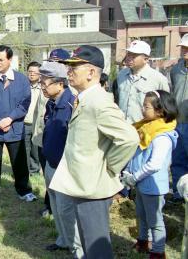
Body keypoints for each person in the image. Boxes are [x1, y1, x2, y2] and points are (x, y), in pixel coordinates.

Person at [50, 45, 139, 258]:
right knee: (88, 245)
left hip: (92, 187)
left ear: (91, 72)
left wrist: (110, 166)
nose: (68, 71)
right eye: (68, 67)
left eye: (74, 67)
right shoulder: (85, 98)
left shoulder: (98, 101)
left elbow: (129, 138)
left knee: (97, 248)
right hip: (82, 184)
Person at [122, 90, 178, 258]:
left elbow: (154, 164)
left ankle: (158, 251)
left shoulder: (161, 135)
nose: (142, 109)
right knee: (141, 214)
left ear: (160, 111)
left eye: (146, 106)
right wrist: (129, 171)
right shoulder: (146, 128)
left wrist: (134, 177)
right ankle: (143, 241)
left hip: (152, 185)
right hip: (141, 183)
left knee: (155, 221)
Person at [0, 45, 35, 205]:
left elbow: (25, 103)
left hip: (14, 128)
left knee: (19, 162)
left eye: (1, 59)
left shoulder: (21, 79)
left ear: (9, 59)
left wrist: (9, 119)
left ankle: (24, 190)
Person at [39, 61, 83, 258]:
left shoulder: (70, 104)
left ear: (60, 83)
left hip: (65, 166)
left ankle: (77, 250)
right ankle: (63, 240)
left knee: (67, 210)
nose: (42, 86)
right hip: (51, 162)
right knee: (56, 205)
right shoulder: (52, 103)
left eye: (45, 83)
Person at [32, 48, 71, 217]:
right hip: (47, 148)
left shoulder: (72, 101)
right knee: (52, 192)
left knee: (65, 204)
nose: (42, 87)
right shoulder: (50, 100)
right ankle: (60, 236)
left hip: (64, 159)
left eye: (44, 84)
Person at [116, 40, 169, 123]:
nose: (129, 58)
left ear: (146, 59)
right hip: (124, 128)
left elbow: (166, 107)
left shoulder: (158, 79)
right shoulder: (121, 75)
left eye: (134, 55)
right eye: (129, 54)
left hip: (145, 129)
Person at [170, 34, 188, 203]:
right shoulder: (176, 69)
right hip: (178, 121)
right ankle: (177, 192)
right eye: (183, 48)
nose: (185, 51)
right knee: (177, 159)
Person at [24, 61, 42, 175]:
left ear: (40, 74)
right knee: (24, 149)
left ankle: (34, 170)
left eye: (35, 72)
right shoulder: (23, 86)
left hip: (38, 123)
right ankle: (24, 171)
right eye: (30, 72)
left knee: (35, 149)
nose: (32, 74)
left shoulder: (44, 87)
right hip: (24, 122)